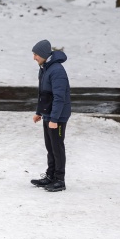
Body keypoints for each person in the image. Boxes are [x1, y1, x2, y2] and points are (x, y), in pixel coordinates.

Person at [30, 40, 71, 192]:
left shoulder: (57, 70)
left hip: (57, 116)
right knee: (50, 147)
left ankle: (60, 180)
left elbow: (59, 97)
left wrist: (54, 119)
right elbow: (44, 94)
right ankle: (50, 176)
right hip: (49, 114)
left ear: (43, 54)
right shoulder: (44, 68)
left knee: (57, 147)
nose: (34, 57)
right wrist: (39, 112)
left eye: (35, 54)